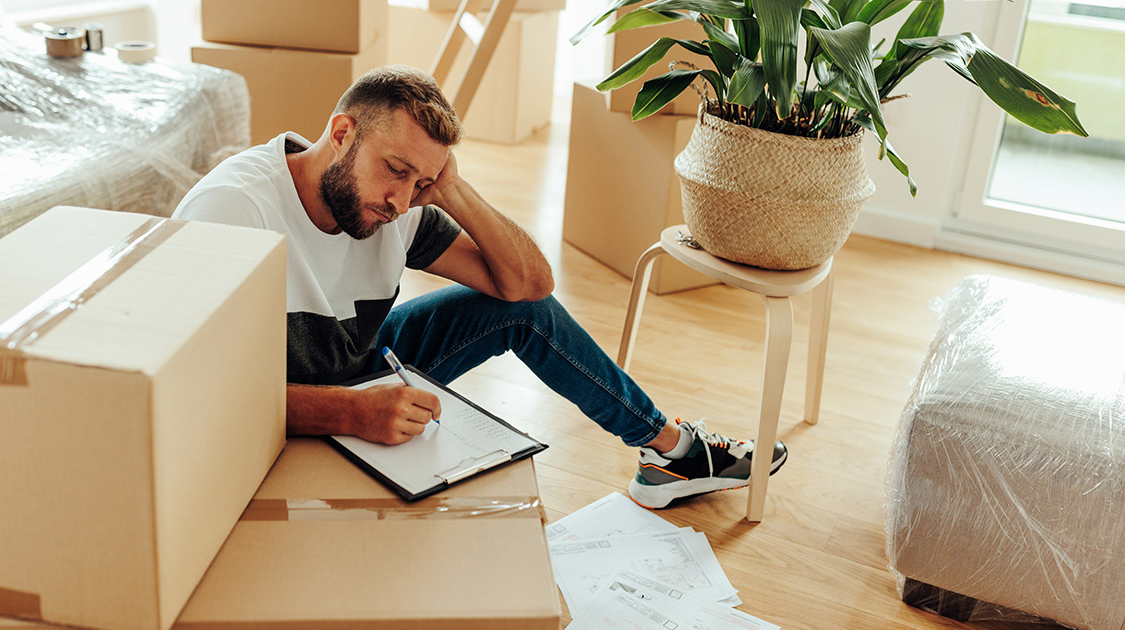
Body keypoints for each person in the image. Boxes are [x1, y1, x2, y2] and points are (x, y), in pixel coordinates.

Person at [172, 65, 787, 509]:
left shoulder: (402, 203)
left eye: (421, 181)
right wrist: (348, 411)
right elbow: (195, 395)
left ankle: (671, 452)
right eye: (395, 169)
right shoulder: (234, 211)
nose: (401, 199)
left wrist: (453, 189)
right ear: (341, 133)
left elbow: (529, 286)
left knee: (525, 313)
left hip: (356, 362)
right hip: (289, 394)